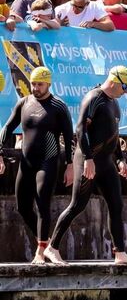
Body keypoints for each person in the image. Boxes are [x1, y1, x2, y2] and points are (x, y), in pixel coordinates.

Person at [45, 66, 127, 266]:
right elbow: (80, 129)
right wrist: (88, 158)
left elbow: (114, 133)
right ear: (113, 81)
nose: (126, 91)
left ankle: (120, 253)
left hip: (106, 162)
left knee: (116, 204)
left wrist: (120, 158)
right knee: (77, 205)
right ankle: (51, 248)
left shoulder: (114, 103)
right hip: (87, 159)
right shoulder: (94, 98)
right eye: (125, 86)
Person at [0, 66, 74, 263]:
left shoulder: (58, 106)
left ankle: (40, 252)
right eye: (33, 84)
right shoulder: (24, 102)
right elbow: (7, 127)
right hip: (27, 162)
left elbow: (68, 137)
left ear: (48, 83)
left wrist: (70, 164)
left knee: (42, 204)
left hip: (47, 161)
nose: (35, 88)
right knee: (23, 206)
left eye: (39, 84)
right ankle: (46, 242)